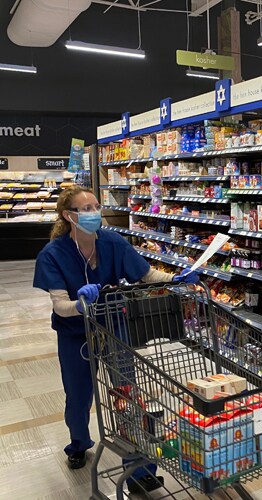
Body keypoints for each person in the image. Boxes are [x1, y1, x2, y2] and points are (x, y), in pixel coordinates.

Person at [33, 186, 199, 494]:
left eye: (96, 205)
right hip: (75, 335)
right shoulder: (53, 254)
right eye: (87, 208)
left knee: (127, 394)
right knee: (79, 395)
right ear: (69, 216)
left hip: (114, 327)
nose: (95, 212)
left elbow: (146, 276)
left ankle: (138, 469)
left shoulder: (112, 242)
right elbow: (60, 306)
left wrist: (176, 278)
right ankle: (79, 444)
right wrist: (80, 304)